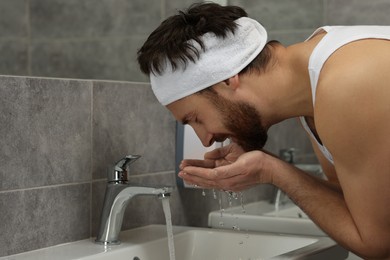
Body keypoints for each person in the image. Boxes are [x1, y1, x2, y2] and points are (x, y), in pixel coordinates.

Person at [137, 3, 390, 259]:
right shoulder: (314, 95)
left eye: (195, 119)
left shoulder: (346, 82)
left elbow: (378, 243)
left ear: (227, 78)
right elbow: (354, 208)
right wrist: (269, 165)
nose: (205, 140)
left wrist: (273, 172)